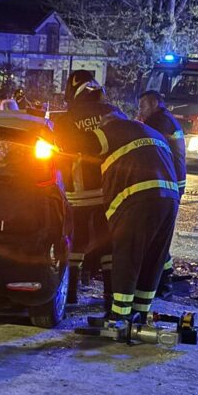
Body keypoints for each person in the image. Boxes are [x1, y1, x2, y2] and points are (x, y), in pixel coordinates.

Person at [79, 104, 180, 322]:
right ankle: (140, 314)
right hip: (170, 199)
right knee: (153, 257)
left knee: (127, 256)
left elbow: (83, 144)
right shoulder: (152, 132)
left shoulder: (113, 129)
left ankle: (119, 317)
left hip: (137, 198)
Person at [54, 70, 119, 299]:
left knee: (76, 241)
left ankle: (71, 292)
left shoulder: (65, 119)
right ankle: (110, 295)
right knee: (107, 243)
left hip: (77, 192)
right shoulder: (113, 112)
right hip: (109, 191)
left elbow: (59, 150)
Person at [138, 89, 187, 294]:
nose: (140, 111)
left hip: (167, 184)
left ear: (154, 103)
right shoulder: (166, 119)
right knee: (160, 235)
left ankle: (162, 280)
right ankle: (164, 278)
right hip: (173, 183)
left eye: (143, 106)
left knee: (156, 236)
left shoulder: (158, 123)